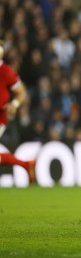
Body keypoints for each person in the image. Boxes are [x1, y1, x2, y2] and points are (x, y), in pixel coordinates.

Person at [0, 40, 36, 183]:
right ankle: (26, 165)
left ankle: (26, 165)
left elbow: (22, 93)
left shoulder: (6, 72)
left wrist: (14, 104)